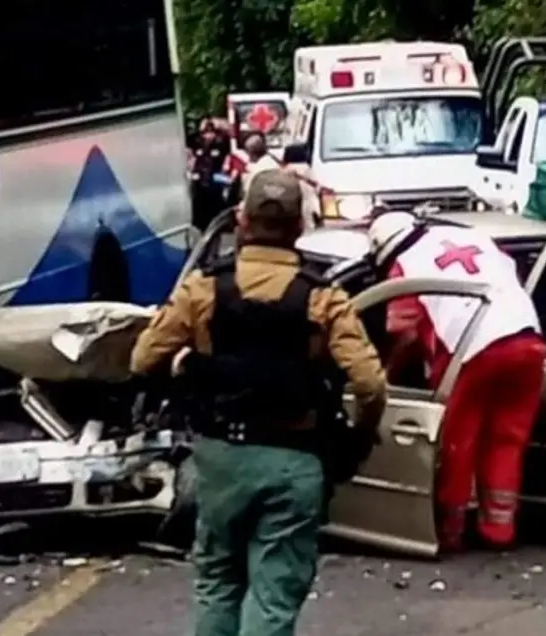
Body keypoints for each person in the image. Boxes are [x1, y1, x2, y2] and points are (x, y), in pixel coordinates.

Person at [130, 169, 388, 636]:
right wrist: (360, 434)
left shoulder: (203, 288)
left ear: (242, 221)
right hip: (296, 459)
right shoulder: (323, 297)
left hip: (220, 459)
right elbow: (370, 384)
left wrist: (186, 372)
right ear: (300, 227)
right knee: (274, 593)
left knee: (218, 582)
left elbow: (143, 359)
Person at [367, 210, 546, 552]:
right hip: (528, 339)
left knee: (458, 442)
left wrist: (387, 373)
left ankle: (451, 530)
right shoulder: (476, 237)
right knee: (507, 440)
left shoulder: (404, 264)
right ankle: (499, 529)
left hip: (473, 351)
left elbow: (401, 332)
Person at [189, 119, 230, 230]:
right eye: (205, 133)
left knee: (215, 205)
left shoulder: (221, 143)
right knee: (199, 205)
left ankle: (217, 225)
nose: (208, 136)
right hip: (200, 180)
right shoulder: (198, 144)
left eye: (210, 132)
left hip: (214, 179)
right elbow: (193, 159)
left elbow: (228, 133)